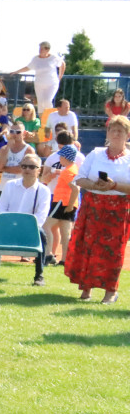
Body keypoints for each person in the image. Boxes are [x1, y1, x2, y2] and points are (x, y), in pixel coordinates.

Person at [64, 116, 130, 304]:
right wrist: (96, 185)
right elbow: (80, 178)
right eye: (113, 130)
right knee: (88, 247)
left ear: (127, 135)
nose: (116, 134)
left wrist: (114, 185)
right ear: (107, 133)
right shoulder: (96, 153)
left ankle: (110, 292)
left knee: (114, 251)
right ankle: (86, 289)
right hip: (92, 206)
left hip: (118, 210)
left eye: (121, 131)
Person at [0, 153, 51, 286]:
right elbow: (1, 209)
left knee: (42, 235)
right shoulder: (9, 185)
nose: (27, 169)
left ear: (39, 169)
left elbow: (41, 216)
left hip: (30, 231)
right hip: (7, 228)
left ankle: (39, 275)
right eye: (24, 166)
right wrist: (11, 225)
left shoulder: (44, 191)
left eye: (32, 167)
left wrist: (26, 227)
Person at [41, 145, 81, 268]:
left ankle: (48, 254)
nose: (59, 158)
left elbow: (76, 188)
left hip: (62, 202)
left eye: (61, 156)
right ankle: (64, 259)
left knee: (45, 226)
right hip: (68, 203)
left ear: (65, 157)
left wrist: (68, 205)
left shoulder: (68, 171)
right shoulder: (72, 169)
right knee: (65, 232)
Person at [12, 41, 65, 115]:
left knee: (47, 101)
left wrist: (60, 76)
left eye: (42, 49)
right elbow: (28, 67)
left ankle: (51, 117)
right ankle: (42, 120)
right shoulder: (36, 59)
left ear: (47, 50)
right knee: (40, 103)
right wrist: (16, 71)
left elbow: (62, 64)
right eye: (40, 49)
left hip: (51, 84)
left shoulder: (53, 58)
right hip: (39, 84)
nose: (40, 51)